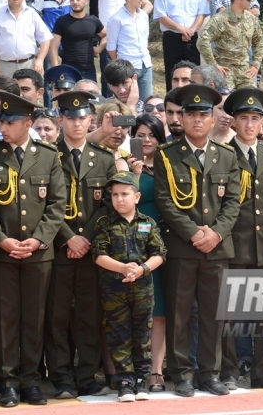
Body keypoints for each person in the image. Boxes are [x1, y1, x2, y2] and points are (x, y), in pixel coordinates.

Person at [153, 84, 240, 397]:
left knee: (213, 314)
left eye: (204, 114)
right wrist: (193, 233)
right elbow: (165, 201)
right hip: (182, 248)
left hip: (217, 249)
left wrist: (215, 233)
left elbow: (233, 202)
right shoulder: (167, 155)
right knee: (179, 313)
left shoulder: (227, 156)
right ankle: (182, 375)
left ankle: (210, 373)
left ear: (213, 118)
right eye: (191, 114)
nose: (197, 120)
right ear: (183, 119)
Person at [0, 91, 65, 408]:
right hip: (3, 253)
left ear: (27, 123)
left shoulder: (47, 155)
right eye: (1, 121)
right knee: (5, 320)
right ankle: (8, 382)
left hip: (38, 253)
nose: (3, 127)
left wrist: (39, 238)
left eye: (10, 122)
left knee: (34, 318)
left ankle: (30, 380)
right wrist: (1, 239)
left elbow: (57, 205)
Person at [43, 90, 116, 398]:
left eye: (82, 118)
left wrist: (83, 237)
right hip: (58, 248)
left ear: (91, 120)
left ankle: (86, 374)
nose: (76, 124)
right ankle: (60, 375)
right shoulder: (45, 155)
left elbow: (109, 205)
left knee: (88, 315)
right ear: (60, 120)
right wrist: (68, 237)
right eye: (70, 118)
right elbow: (43, 204)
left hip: (90, 251)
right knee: (57, 316)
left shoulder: (104, 158)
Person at [220, 87, 263, 390]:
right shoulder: (222, 155)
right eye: (243, 118)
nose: (250, 125)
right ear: (232, 121)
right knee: (231, 315)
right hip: (233, 245)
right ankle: (230, 370)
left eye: (255, 118)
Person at [92, 171, 166, 402]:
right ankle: (124, 381)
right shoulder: (104, 223)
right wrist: (123, 268)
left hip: (143, 287)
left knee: (142, 333)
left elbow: (160, 253)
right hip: (114, 289)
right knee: (119, 334)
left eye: (125, 194)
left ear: (137, 197)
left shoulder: (148, 223)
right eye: (114, 195)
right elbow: (98, 255)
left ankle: (143, 380)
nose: (119, 199)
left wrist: (141, 269)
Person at [125, 114, 168, 392]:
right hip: (129, 244)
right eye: (141, 135)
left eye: (152, 135)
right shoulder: (125, 165)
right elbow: (124, 198)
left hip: (160, 244)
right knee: (132, 311)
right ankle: (131, 369)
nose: (147, 140)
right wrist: (136, 172)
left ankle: (156, 370)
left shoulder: (168, 165)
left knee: (159, 310)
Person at [198, 0, 263, 89]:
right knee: (225, 100)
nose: (251, 2)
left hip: (244, 70)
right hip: (225, 71)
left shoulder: (251, 19)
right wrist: (214, 65)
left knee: (249, 99)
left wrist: (255, 65)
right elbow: (202, 41)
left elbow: (258, 41)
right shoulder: (220, 19)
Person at [153, 0, 210, 91]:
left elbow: (202, 13)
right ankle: (173, 102)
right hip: (172, 39)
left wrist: (191, 30)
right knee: (172, 72)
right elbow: (161, 16)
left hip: (192, 38)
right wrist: (181, 29)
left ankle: (193, 100)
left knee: (194, 72)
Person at [107, 0, 153, 101]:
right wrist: (122, 66)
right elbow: (111, 47)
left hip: (146, 64)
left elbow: (145, 39)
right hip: (129, 67)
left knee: (146, 102)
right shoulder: (116, 19)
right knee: (130, 103)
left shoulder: (143, 16)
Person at [49, 0, 105, 82]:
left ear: (86, 1)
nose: (75, 2)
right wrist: (57, 69)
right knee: (69, 97)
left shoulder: (93, 20)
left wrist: (99, 49)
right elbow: (53, 47)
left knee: (90, 96)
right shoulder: (61, 21)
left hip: (89, 70)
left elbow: (106, 35)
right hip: (68, 70)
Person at [31, 0, 71, 74]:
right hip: (50, 40)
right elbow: (32, 15)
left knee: (70, 71)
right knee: (50, 73)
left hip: (69, 39)